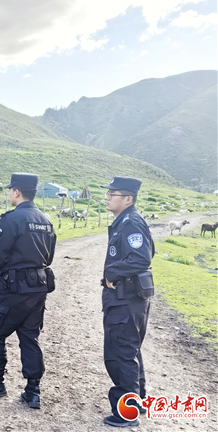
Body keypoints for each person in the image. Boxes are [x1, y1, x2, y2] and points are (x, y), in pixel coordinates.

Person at [0, 173, 56, 409]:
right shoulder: (45, 220)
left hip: (14, 287)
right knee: (29, 337)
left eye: (10, 190)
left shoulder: (12, 219)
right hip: (38, 287)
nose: (9, 193)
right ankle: (33, 391)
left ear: (17, 192)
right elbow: (49, 256)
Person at [99, 176, 154, 428]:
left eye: (113, 194)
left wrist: (112, 273)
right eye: (108, 194)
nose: (107, 198)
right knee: (129, 350)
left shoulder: (130, 222)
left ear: (128, 199)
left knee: (120, 352)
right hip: (128, 298)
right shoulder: (125, 221)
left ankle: (126, 412)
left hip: (126, 300)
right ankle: (137, 401)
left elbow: (141, 258)